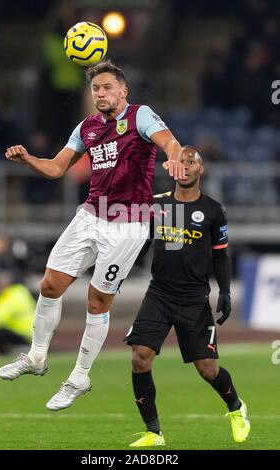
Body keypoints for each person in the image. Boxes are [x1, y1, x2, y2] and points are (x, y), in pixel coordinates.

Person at [0, 60, 185, 412]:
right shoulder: (86, 128)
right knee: (49, 286)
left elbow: (169, 143)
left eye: (107, 87)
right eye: (96, 89)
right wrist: (28, 160)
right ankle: (37, 358)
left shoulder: (140, 116)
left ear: (122, 91)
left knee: (97, 302)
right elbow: (56, 167)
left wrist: (174, 158)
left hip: (128, 224)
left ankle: (80, 376)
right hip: (90, 215)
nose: (101, 93)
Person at [125, 146, 250, 447]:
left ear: (200, 170)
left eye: (191, 161)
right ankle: (153, 433)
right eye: (180, 161)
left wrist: (226, 291)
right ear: (172, 169)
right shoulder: (156, 205)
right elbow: (141, 243)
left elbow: (221, 256)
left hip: (194, 299)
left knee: (208, 370)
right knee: (140, 358)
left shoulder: (213, 210)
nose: (186, 165)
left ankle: (236, 408)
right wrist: (117, 272)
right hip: (159, 293)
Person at [0, 272, 35, 354]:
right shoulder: (12, 294)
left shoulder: (16, 294)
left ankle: (4, 353)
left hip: (25, 333)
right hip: (20, 331)